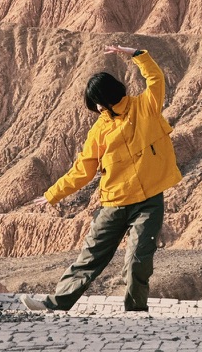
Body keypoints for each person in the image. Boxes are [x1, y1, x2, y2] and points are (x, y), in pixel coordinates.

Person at [20, 44, 182, 313]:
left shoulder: (146, 107)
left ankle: (135, 312)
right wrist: (53, 194)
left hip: (149, 201)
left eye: (96, 103)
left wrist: (136, 55)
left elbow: (156, 78)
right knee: (90, 257)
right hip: (114, 203)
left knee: (138, 259)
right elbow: (82, 170)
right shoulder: (99, 130)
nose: (95, 108)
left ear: (105, 99)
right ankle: (55, 304)